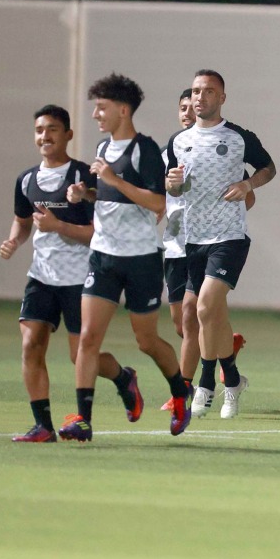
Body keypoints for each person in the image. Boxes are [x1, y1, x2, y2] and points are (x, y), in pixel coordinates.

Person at [58, 74, 189, 441]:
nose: (96, 114)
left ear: (123, 110)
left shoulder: (144, 150)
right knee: (87, 339)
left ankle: (180, 392)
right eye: (95, 107)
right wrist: (84, 193)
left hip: (141, 259)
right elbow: (105, 194)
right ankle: (82, 420)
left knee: (146, 341)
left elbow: (157, 203)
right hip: (104, 256)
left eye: (102, 107)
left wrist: (113, 181)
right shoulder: (103, 148)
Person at [1, 105, 142, 442]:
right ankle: (43, 426)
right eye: (39, 130)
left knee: (81, 355)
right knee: (31, 344)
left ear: (68, 134)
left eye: (52, 129)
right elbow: (22, 222)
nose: (44, 136)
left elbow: (101, 232)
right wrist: (13, 241)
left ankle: (123, 378)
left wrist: (58, 225)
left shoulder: (86, 177)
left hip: (82, 279)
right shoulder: (26, 180)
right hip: (42, 277)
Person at [165, 70, 276, 419]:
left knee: (204, 308)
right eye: (196, 91)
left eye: (208, 91)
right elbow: (175, 191)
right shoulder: (178, 141)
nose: (200, 97)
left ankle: (207, 383)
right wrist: (172, 184)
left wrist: (247, 186)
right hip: (192, 240)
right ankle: (233, 380)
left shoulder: (239, 137)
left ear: (222, 98)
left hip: (229, 237)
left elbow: (269, 168)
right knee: (214, 315)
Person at [158, 89, 249, 412]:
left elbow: (247, 194)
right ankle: (229, 359)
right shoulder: (174, 148)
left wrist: (238, 193)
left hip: (214, 239)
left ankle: (192, 386)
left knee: (197, 311)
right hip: (177, 243)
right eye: (182, 107)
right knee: (186, 321)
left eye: (191, 106)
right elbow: (161, 198)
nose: (187, 112)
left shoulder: (223, 148)